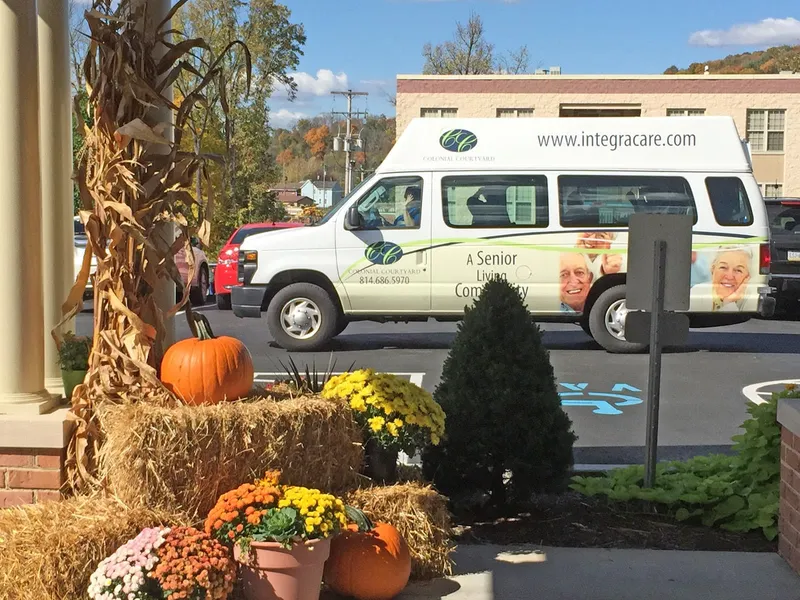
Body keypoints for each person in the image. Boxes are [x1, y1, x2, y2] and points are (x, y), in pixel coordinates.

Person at [691, 246, 754, 312]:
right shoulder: (696, 293)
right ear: (713, 269)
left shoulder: (753, 300)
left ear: (747, 277)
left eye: (738, 270)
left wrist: (729, 302)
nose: (729, 276)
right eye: (723, 267)